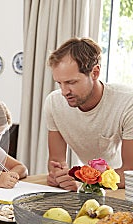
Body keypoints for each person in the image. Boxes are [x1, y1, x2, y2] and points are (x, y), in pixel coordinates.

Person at [44, 37, 133, 196]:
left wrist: (82, 180)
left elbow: (130, 172)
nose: (64, 92)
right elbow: (56, 162)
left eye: (71, 82)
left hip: (121, 188)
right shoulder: (54, 103)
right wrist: (59, 176)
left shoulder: (127, 102)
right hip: (89, 187)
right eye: (60, 83)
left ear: (95, 73)